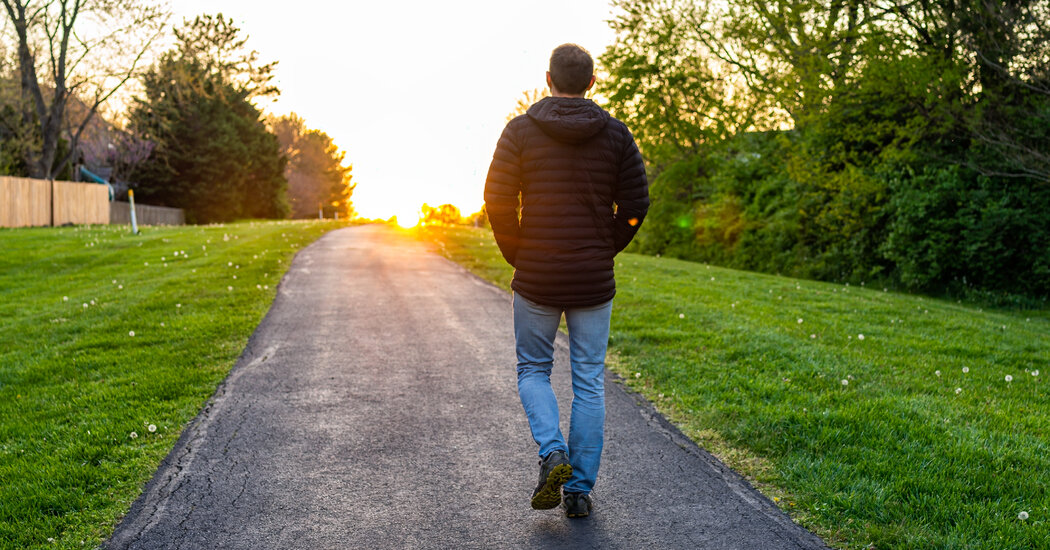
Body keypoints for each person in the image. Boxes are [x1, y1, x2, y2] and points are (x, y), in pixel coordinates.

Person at [483, 43, 649, 519]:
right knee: (589, 381)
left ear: (548, 79)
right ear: (591, 83)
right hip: (592, 279)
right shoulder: (617, 135)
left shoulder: (519, 130)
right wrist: (605, 247)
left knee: (533, 369)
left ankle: (552, 451)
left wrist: (517, 251)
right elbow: (636, 207)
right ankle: (577, 490)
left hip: (536, 275)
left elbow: (496, 199)